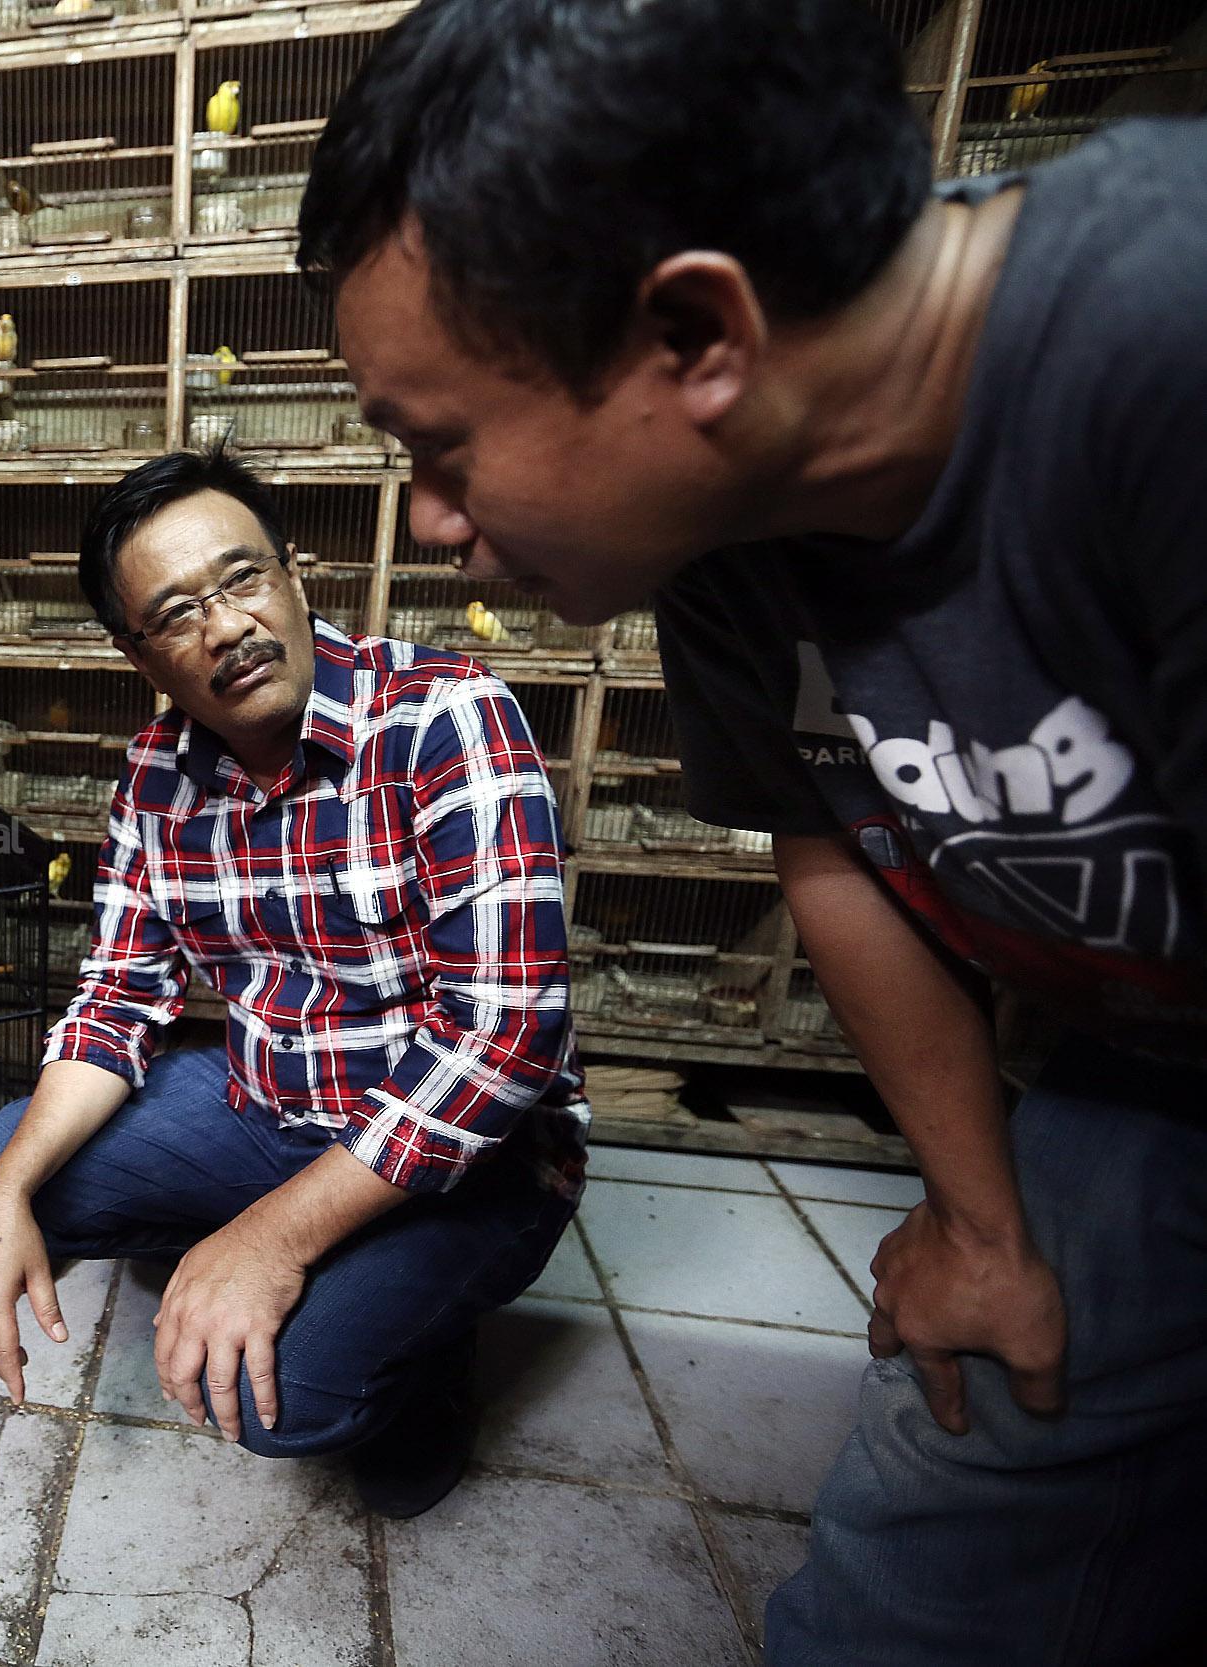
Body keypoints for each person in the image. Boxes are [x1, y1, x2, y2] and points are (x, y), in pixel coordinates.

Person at [294, 0, 1207, 1659]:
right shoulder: (726, 536)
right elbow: (838, 842)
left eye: (441, 450)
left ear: (697, 338)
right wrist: (985, 1226)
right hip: (1141, 1064)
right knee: (934, 1519)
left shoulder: (1164, 345)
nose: (435, 531)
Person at [0, 446, 588, 1518]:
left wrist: (270, 1238)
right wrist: (4, 1194)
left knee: (278, 1401)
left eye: (243, 578)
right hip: (273, 1108)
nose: (227, 626)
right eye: (176, 613)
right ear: (139, 655)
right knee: (1, 1158)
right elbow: (115, 996)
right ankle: (314, 1251)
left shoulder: (446, 716)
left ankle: (419, 1331)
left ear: (294, 575)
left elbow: (504, 1041)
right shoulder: (156, 774)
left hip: (480, 1151)